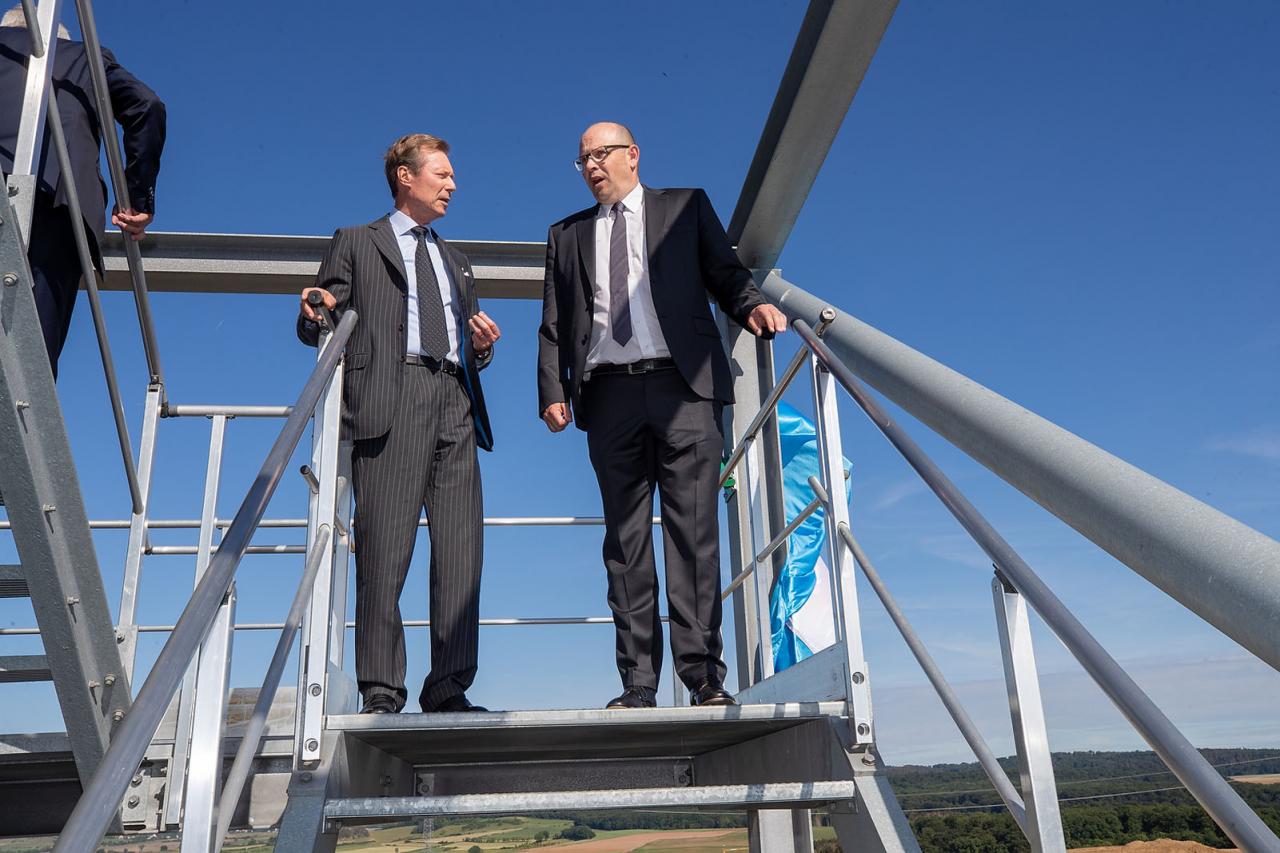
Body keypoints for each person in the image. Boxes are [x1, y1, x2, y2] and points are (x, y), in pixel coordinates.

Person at [537, 122, 788, 709]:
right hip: (608, 395)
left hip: (686, 388)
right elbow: (554, 321)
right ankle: (638, 683)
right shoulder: (566, 234)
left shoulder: (685, 207)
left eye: (601, 154)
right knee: (624, 544)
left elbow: (724, 274)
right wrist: (553, 388)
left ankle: (702, 676)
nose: (593, 166)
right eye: (582, 161)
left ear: (633, 155)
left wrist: (751, 306)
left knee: (693, 536)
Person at [298, 133, 501, 714]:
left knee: (463, 553)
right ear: (405, 178)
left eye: (453, 175)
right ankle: (382, 691)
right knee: (384, 554)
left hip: (455, 400)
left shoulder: (457, 262)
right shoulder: (357, 242)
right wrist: (313, 307)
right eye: (441, 174)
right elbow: (321, 314)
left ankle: (449, 687)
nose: (452, 184)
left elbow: (464, 337)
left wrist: (481, 348)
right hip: (391, 398)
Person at [0, 6, 165, 377]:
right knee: (32, 360)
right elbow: (147, 106)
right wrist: (138, 201)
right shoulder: (82, 57)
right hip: (59, 202)